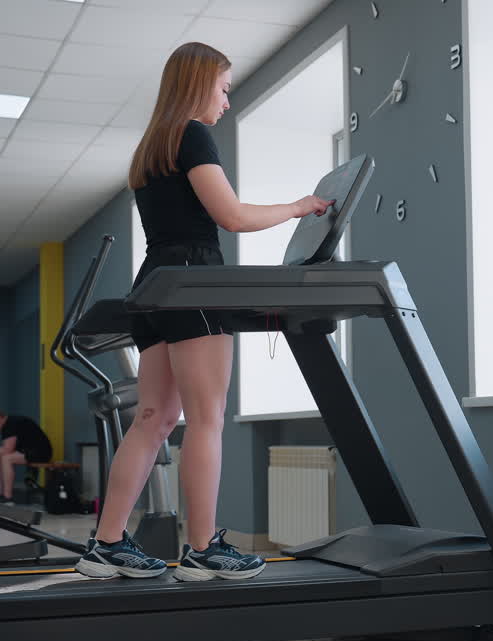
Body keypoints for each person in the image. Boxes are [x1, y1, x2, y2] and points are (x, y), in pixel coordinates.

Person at [75, 42, 333, 582]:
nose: (226, 101)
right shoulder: (192, 133)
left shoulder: (152, 145)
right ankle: (203, 549)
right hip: (193, 278)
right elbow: (231, 216)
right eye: (223, 88)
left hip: (154, 284)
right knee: (206, 419)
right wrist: (300, 206)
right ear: (199, 85)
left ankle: (106, 543)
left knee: (153, 419)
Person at [0, 409, 52, 502]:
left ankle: (8, 498)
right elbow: (6, 448)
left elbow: (8, 449)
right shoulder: (9, 423)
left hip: (41, 453)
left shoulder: (10, 424)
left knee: (6, 458)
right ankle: (0, 493)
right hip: (29, 451)